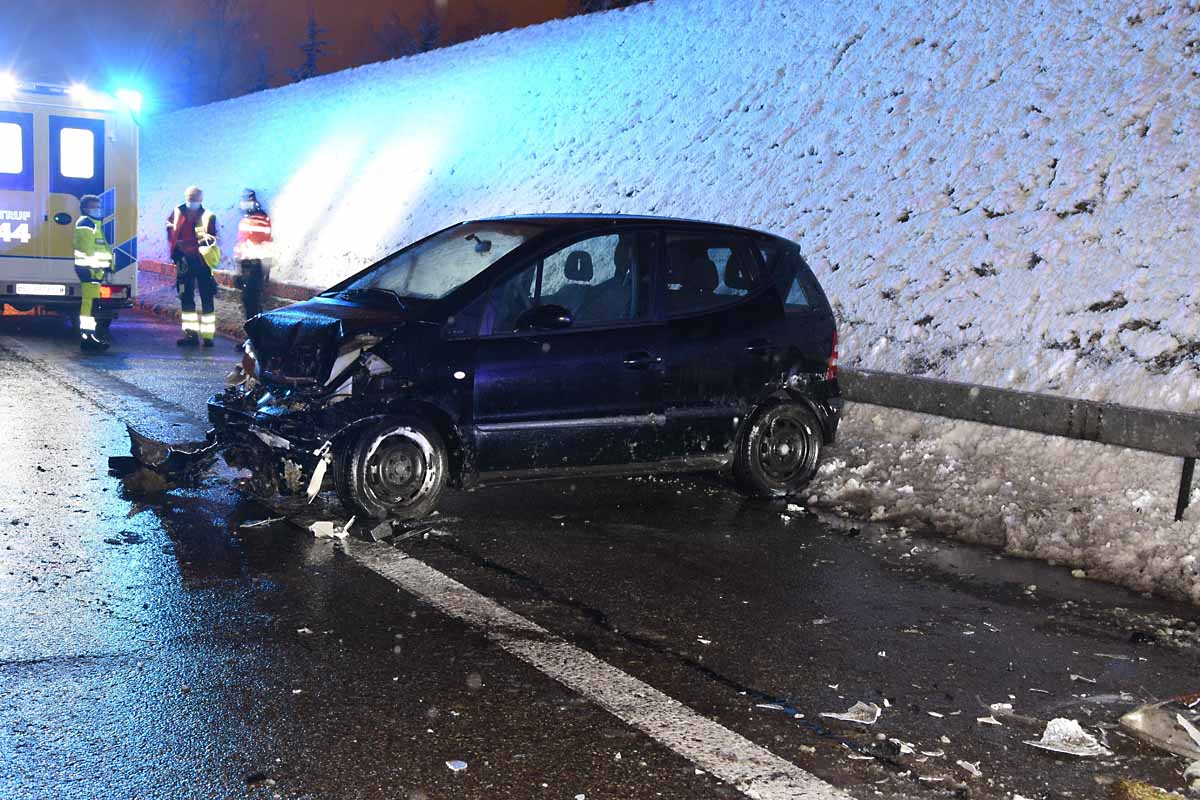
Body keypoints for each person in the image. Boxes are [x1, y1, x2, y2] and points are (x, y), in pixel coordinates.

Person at [166, 186, 218, 347]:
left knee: (207, 298)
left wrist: (189, 245)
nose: (192, 200)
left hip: (202, 262)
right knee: (186, 298)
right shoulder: (177, 212)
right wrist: (177, 252)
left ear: (201, 199)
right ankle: (191, 335)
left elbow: (212, 239)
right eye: (190, 197)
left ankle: (208, 336)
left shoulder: (208, 216)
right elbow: (170, 232)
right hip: (184, 262)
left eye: (195, 197)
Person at [73, 194, 113, 352]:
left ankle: (89, 337)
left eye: (98, 207)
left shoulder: (93, 223)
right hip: (90, 270)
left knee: (91, 305)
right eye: (94, 207)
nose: (97, 210)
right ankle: (88, 338)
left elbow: (101, 247)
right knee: (89, 305)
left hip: (94, 270)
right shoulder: (86, 224)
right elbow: (87, 250)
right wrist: (96, 268)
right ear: (84, 208)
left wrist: (108, 266)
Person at [233, 189, 273, 328]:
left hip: (255, 266)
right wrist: (239, 269)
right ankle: (252, 336)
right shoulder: (247, 219)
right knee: (248, 302)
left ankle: (255, 337)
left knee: (252, 302)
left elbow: (263, 245)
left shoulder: (260, 219)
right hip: (247, 265)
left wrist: (265, 272)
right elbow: (242, 244)